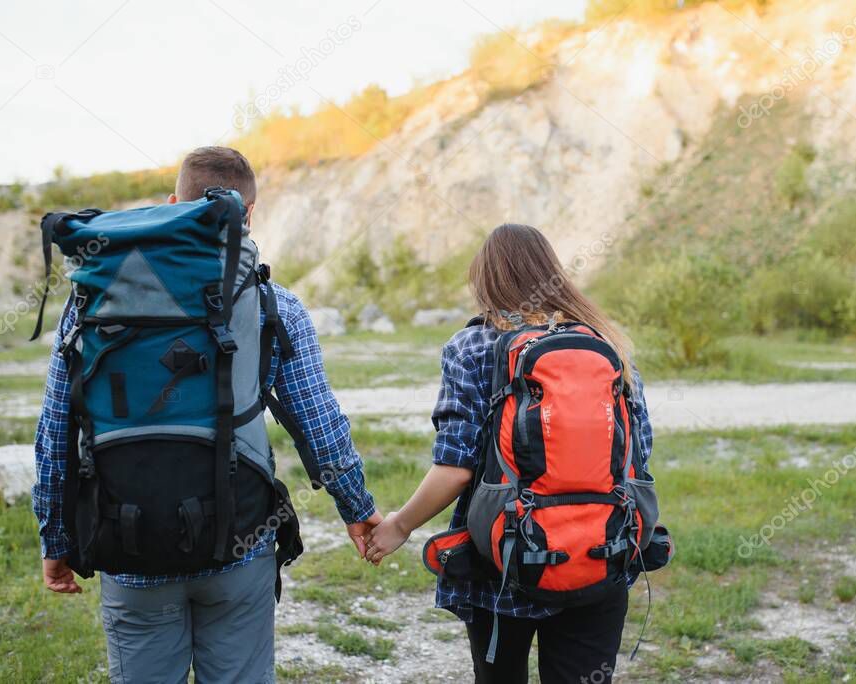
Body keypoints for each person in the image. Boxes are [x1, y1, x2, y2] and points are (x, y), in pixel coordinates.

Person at [33, 146, 382, 683]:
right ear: (247, 216)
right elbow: (319, 422)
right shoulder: (270, 303)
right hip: (237, 544)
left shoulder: (90, 302)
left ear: (173, 204)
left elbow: (57, 430)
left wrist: (55, 539)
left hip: (129, 546)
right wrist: (356, 509)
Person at [363, 223, 654, 683]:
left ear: (485, 280)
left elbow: (456, 467)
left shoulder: (473, 346)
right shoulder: (605, 344)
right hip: (602, 552)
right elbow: (640, 452)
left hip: (503, 562)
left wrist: (399, 524)